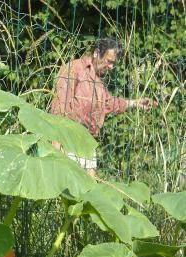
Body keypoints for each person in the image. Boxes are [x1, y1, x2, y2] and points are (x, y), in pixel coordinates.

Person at [51, 38, 155, 176]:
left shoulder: (99, 82)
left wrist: (134, 103)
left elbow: (109, 104)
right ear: (96, 53)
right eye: (109, 61)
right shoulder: (74, 68)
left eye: (114, 63)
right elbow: (59, 106)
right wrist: (56, 145)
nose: (111, 67)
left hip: (87, 141)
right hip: (67, 139)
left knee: (89, 191)